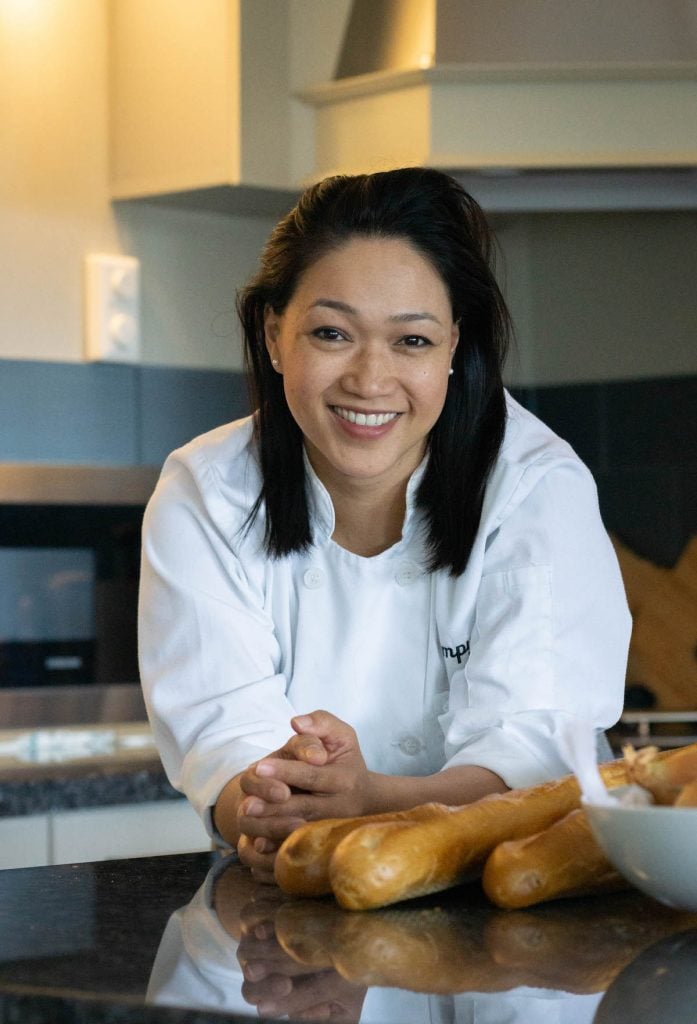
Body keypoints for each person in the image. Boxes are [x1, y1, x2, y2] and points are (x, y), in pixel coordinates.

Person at [138, 167, 631, 883]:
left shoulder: (534, 486)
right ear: (274, 335)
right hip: (298, 904)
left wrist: (368, 802)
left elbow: (537, 760)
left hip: (516, 890)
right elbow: (225, 742)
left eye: (412, 341)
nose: (370, 380)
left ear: (454, 345)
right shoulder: (207, 492)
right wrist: (270, 809)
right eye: (331, 333)